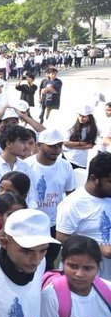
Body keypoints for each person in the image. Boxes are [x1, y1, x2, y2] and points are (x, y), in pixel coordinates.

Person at [41, 235, 111, 317]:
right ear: (62, 263)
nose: (79, 274)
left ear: (98, 267)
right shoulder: (51, 296)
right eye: (73, 266)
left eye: (87, 268)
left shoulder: (108, 291)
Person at [25, 128, 76, 269]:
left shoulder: (65, 166)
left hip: (55, 223)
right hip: (32, 222)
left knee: (48, 262)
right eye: (53, 146)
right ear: (39, 146)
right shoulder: (26, 166)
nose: (57, 150)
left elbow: (71, 194)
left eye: (59, 146)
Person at [56, 152, 111, 281]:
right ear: (94, 179)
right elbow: (62, 237)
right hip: (84, 278)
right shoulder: (73, 203)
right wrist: (98, 248)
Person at [0, 124, 38, 210]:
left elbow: (32, 198)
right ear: (8, 143)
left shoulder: (26, 167)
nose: (26, 147)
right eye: (22, 142)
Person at [62, 104, 98, 169]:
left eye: (84, 116)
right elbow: (65, 143)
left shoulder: (93, 129)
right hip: (68, 157)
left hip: (81, 161)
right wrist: (82, 144)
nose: (81, 118)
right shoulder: (72, 125)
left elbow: (90, 145)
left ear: (89, 117)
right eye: (80, 116)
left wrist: (72, 146)